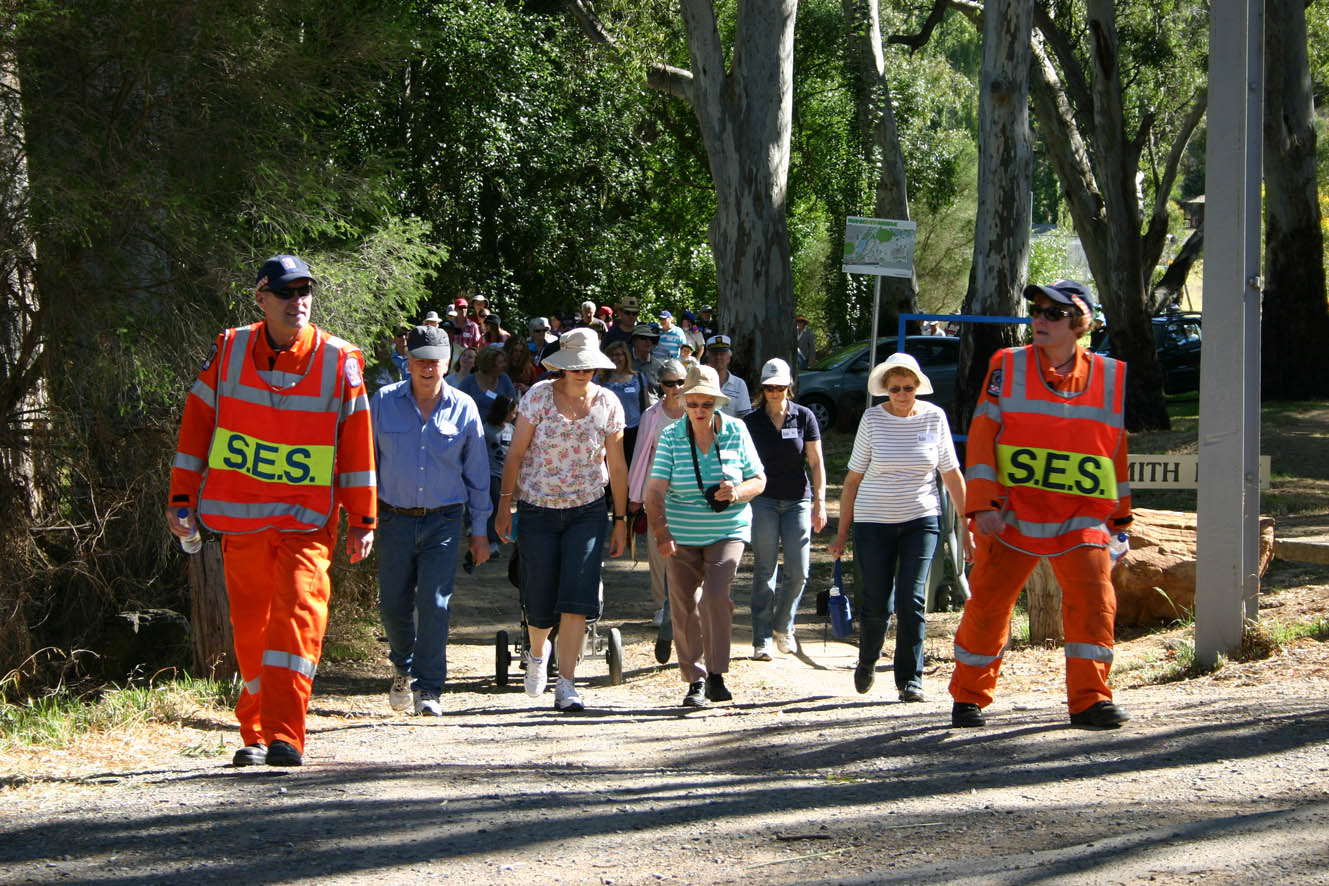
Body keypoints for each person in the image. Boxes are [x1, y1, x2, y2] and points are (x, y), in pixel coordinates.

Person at [167, 255, 375, 767]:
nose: (297, 301)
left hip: (308, 518)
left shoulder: (340, 359)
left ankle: (287, 735)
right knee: (252, 629)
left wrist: (362, 518)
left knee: (299, 616)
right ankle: (255, 734)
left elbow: (357, 443)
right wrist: (181, 496)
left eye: (305, 291)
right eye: (285, 292)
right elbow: (197, 423)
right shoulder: (230, 348)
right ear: (261, 299)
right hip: (243, 514)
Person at [948, 279, 1133, 729]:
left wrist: (1120, 519)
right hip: (1012, 512)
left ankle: (1090, 700)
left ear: (1080, 323)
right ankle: (968, 697)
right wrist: (982, 505)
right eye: (1037, 311)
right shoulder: (1007, 365)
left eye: (1053, 313)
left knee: (1094, 603)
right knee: (988, 605)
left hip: (1082, 515)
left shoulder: (1110, 375)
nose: (1040, 320)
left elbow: (1115, 450)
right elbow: (983, 436)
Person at [494, 328, 629, 712]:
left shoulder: (609, 403)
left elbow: (617, 466)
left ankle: (566, 683)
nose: (582, 372)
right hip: (538, 509)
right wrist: (505, 505)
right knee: (539, 599)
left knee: (576, 598)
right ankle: (538, 653)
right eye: (575, 366)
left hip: (587, 510)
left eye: (588, 366)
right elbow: (516, 453)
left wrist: (621, 519)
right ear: (563, 367)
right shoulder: (538, 397)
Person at [828, 352, 969, 703]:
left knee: (912, 598)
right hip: (873, 520)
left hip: (921, 518)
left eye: (908, 388)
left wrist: (968, 527)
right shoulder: (873, 419)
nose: (902, 395)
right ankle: (868, 659)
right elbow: (852, 480)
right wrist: (842, 533)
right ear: (886, 390)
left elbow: (951, 474)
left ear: (918, 387)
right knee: (877, 602)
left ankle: (910, 679)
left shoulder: (934, 417)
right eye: (895, 389)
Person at [371, 326, 490, 717]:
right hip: (394, 518)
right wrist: (362, 518)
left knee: (435, 604)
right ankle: (402, 666)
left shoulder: (464, 407)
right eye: (420, 360)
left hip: (444, 520)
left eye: (435, 361)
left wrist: (479, 531)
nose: (427, 368)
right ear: (408, 362)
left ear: (447, 363)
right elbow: (366, 464)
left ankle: (429, 688)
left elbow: (477, 475)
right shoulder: (383, 402)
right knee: (393, 604)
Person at [645, 365, 766, 708]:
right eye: (693, 403)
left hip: (728, 528)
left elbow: (759, 480)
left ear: (718, 404)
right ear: (683, 402)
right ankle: (694, 680)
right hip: (681, 531)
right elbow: (655, 491)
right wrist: (661, 531)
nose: (699, 411)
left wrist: (737, 492)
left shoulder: (737, 430)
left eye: (707, 404)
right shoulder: (671, 436)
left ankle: (716, 673)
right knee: (683, 603)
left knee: (714, 596)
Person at [744, 358, 828, 660]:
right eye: (769, 387)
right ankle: (762, 637)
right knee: (765, 570)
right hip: (763, 500)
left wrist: (820, 501)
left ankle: (783, 625)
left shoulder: (804, 417)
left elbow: (816, 462)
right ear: (762, 388)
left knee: (799, 570)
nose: (775, 392)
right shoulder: (751, 422)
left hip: (797, 500)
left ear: (789, 386)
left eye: (780, 387)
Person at [628, 359, 687, 629]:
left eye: (681, 382)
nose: (676, 388)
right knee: (657, 550)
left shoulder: (697, 410)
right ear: (661, 385)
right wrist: (634, 497)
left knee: (688, 550)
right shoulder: (651, 415)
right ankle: (661, 605)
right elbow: (640, 455)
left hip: (690, 491)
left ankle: (685, 604)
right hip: (657, 491)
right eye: (670, 383)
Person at [598, 339, 655, 467]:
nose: (615, 358)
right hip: (608, 432)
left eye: (618, 354)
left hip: (635, 432)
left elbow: (647, 406)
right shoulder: (600, 380)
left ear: (626, 357)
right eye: (611, 355)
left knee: (634, 469)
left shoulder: (638, 378)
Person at [482, 394, 517, 557]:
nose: (514, 416)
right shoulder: (486, 429)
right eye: (512, 412)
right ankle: (492, 542)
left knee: (506, 507)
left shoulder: (511, 429)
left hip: (507, 474)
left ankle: (501, 536)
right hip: (491, 473)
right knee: (495, 506)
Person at [703, 334, 752, 417]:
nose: (718, 357)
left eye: (722, 353)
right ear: (708, 357)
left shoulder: (739, 385)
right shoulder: (700, 382)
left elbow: (744, 416)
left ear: (729, 358)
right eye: (714, 353)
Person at [456, 344, 518, 408]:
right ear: (489, 365)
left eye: (504, 361)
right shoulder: (468, 381)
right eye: (500, 362)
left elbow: (514, 403)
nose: (504, 365)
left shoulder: (504, 378)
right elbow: (458, 405)